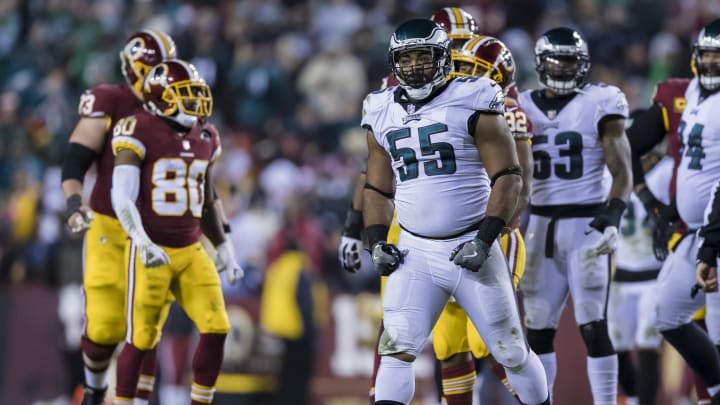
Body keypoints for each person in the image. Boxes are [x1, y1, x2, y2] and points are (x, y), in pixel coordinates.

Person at [362, 18, 549, 405]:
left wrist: (485, 239)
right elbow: (377, 186)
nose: (414, 66)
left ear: (444, 58)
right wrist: (377, 240)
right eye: (406, 58)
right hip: (414, 250)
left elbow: (509, 176)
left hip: (470, 246)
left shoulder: (474, 95)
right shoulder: (379, 106)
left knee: (510, 351)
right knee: (395, 349)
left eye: (423, 57)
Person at [109, 59, 242, 405]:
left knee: (217, 327)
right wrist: (141, 241)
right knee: (141, 337)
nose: (196, 104)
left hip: (191, 248)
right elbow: (121, 194)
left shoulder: (206, 135)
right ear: (160, 97)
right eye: (185, 95)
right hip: (152, 247)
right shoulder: (138, 128)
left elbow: (209, 200)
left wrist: (225, 246)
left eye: (196, 95)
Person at [60, 29, 177, 405]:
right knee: (104, 323)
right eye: (159, 68)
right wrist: (73, 202)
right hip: (111, 224)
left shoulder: (179, 107)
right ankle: (95, 390)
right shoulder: (110, 99)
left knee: (147, 320)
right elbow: (77, 156)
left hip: (158, 228)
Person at [517, 27, 633, 404]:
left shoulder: (601, 101)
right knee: (537, 329)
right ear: (540, 63)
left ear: (582, 65)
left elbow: (622, 170)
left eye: (570, 62)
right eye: (556, 61)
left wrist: (613, 216)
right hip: (539, 225)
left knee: (594, 324)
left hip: (588, 223)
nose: (563, 69)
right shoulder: (518, 104)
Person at [430, 34, 534, 405]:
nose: (462, 75)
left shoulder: (505, 109)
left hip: (493, 238)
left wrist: (489, 235)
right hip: (444, 241)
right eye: (459, 67)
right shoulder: (440, 105)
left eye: (473, 71)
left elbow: (520, 185)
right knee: (449, 344)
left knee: (495, 342)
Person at [653, 19, 720, 405]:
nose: (710, 64)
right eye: (706, 55)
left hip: (714, 232)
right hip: (695, 229)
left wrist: (710, 247)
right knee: (668, 312)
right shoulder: (693, 91)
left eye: (718, 57)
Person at [607, 151, 672, 405]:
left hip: (655, 276)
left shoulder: (667, 171)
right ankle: (634, 399)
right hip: (622, 276)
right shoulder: (613, 173)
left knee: (648, 348)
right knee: (614, 349)